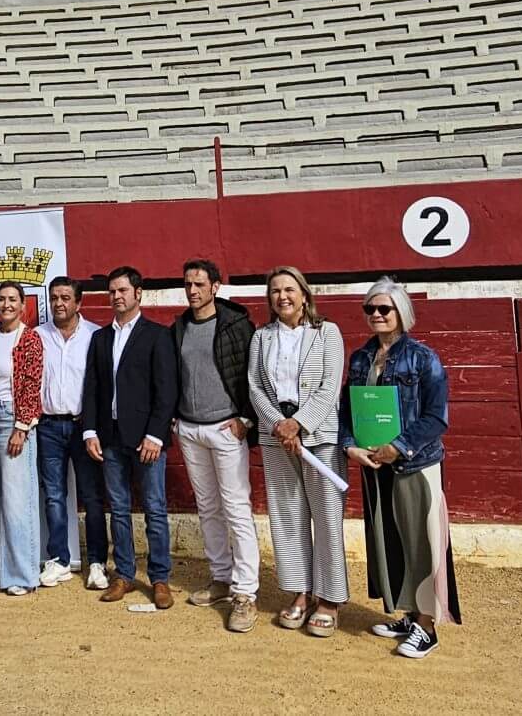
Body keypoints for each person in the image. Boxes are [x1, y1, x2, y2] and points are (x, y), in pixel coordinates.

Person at [342, 278, 461, 659]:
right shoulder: (360, 358)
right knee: (390, 541)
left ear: (401, 313)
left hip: (415, 464)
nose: (376, 315)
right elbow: (348, 411)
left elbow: (436, 418)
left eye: (384, 309)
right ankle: (409, 614)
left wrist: (399, 446)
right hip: (374, 464)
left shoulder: (424, 358)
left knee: (421, 541)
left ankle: (427, 627)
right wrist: (350, 446)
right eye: (370, 309)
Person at [247, 265, 348, 638]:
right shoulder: (262, 337)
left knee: (325, 516)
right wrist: (279, 425)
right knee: (287, 516)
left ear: (304, 294)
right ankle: (300, 592)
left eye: (289, 289)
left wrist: (299, 424)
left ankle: (330, 598)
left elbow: (329, 385)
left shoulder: (327, 332)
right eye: (275, 291)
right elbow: (255, 387)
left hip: (318, 435)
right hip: (276, 436)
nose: (282, 297)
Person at [171, 258, 262, 632]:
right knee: (208, 507)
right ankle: (222, 578)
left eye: (199, 284)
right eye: (188, 284)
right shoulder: (178, 327)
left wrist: (246, 418)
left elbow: (254, 374)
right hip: (190, 429)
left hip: (226, 429)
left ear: (215, 287)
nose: (193, 291)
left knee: (236, 507)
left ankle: (245, 593)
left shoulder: (237, 325)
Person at [82, 266, 177, 609]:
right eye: (112, 291)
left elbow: (166, 391)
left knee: (154, 508)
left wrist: (156, 434)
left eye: (123, 290)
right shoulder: (100, 338)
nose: (116, 297)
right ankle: (123, 574)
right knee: (118, 509)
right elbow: (91, 387)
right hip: (110, 436)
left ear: (138, 294)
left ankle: (160, 578)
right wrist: (90, 430)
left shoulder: (157, 335)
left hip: (146, 439)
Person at [35, 277, 109, 591]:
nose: (59, 304)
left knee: (91, 496)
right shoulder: (38, 336)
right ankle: (60, 560)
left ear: (78, 303)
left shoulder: (94, 336)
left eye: (65, 298)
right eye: (54, 298)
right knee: (53, 495)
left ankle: (96, 562)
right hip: (49, 425)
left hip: (84, 426)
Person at [0, 281, 44, 596]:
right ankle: (5, 571)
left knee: (17, 500)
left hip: (14, 418)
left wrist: (22, 427)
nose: (6, 304)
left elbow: (32, 382)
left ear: (23, 305)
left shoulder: (29, 338)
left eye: (12, 299)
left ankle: (23, 575)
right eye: (2, 299)